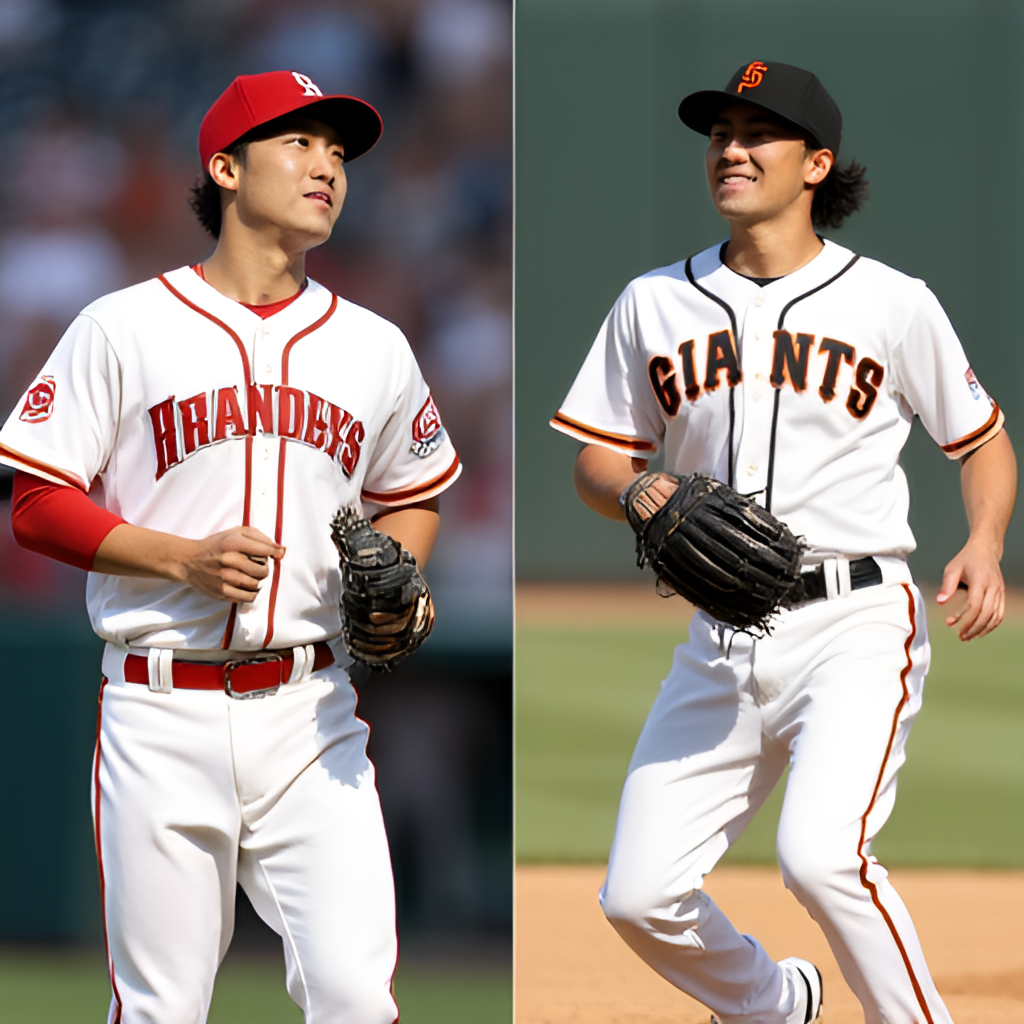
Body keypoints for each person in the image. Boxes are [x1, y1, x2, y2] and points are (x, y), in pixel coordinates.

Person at [551, 61, 1016, 1024]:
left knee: (823, 856)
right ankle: (774, 1004)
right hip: (718, 640)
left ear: (816, 164)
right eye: (720, 132)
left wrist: (983, 540)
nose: (730, 149)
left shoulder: (890, 299)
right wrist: (638, 487)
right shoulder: (653, 301)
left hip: (854, 621)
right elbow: (598, 458)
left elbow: (982, 441)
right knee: (636, 896)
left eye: (758, 133)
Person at [0, 70, 461, 1023]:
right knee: (164, 1009)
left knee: (355, 1000)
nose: (326, 166)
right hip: (161, 707)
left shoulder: (373, 345)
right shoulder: (122, 326)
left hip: (314, 712)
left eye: (338, 151)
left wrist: (402, 569)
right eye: (298, 143)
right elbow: (37, 505)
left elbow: (414, 495)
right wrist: (180, 560)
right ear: (225, 167)